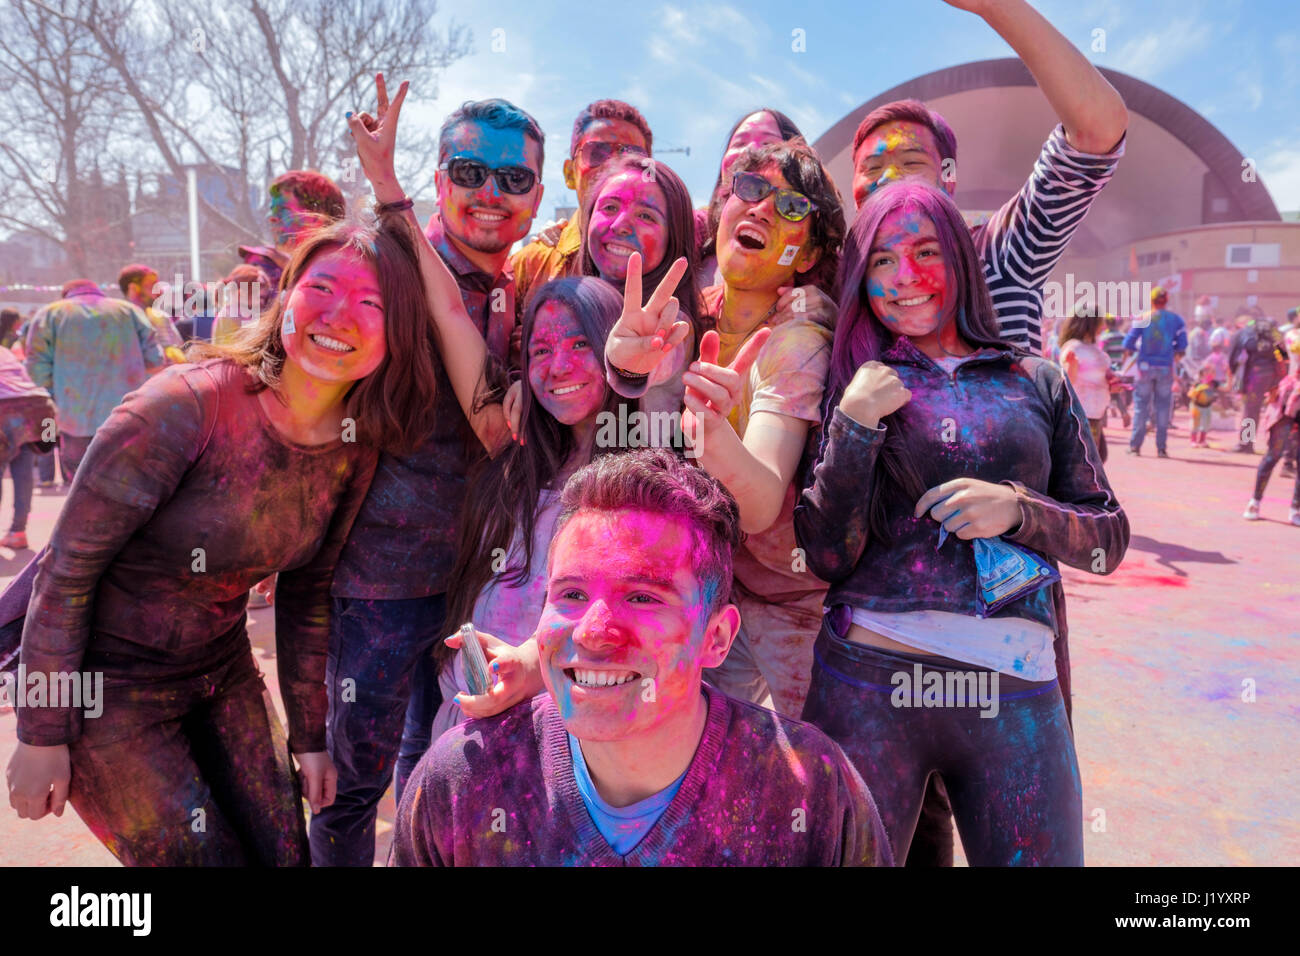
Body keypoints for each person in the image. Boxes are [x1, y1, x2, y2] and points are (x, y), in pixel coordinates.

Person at [5, 217, 441, 865]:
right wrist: (42, 733)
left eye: (372, 302)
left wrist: (310, 739)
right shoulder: (182, 406)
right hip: (108, 690)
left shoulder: (354, 445)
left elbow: (307, 594)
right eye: (321, 288)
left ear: (396, 335)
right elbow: (67, 571)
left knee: (286, 854)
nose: (340, 314)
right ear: (286, 297)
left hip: (221, 673)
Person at [792, 181, 1128, 865]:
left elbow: (1107, 540)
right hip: (868, 679)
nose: (905, 277)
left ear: (961, 260)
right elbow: (827, 554)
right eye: (882, 260)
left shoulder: (1034, 378)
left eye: (925, 251)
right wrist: (854, 426)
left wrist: (1020, 509)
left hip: (1014, 688)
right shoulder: (854, 378)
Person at [391, 447, 893, 867]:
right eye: (570, 595)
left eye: (642, 598)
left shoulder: (807, 787)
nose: (593, 633)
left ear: (717, 638)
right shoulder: (465, 779)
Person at [312, 93, 541, 867]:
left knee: (435, 758)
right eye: (471, 171)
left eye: (513, 179)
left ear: (539, 197)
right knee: (349, 786)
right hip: (376, 583)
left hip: (471, 584)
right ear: (438, 179)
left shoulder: (520, 291)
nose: (490, 193)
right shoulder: (384, 267)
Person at [849, 0, 1127, 356]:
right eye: (871, 168)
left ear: (948, 178)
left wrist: (996, 7)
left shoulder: (999, 252)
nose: (888, 178)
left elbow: (1096, 131)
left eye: (911, 162)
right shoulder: (844, 282)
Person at [432, 277, 634, 740]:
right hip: (464, 720)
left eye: (581, 343)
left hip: (557, 734)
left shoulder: (635, 484)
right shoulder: (513, 452)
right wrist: (398, 206)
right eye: (540, 351)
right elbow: (449, 313)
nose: (558, 366)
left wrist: (529, 667)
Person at [510, 100, 653, 314]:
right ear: (569, 173)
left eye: (632, 156)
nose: (614, 166)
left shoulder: (671, 258)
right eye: (596, 153)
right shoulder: (529, 265)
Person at [23, 279, 165, 482]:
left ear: (65, 295)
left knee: (81, 487)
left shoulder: (50, 314)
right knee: (126, 483)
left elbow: (36, 370)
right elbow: (155, 359)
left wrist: (54, 399)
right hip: (127, 415)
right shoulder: (129, 311)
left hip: (73, 418)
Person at [695, 109, 804, 287]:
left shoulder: (810, 290)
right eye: (739, 142)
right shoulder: (686, 232)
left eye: (767, 143)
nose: (748, 150)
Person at [238, 170, 347, 291]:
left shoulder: (346, 274)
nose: (271, 217)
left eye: (283, 209)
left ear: (316, 218)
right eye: (271, 208)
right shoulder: (265, 269)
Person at [0, 345, 56, 550]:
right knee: (23, 470)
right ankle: (18, 532)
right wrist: (49, 437)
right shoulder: (5, 351)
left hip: (3, 409)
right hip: (39, 406)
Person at [1243, 328, 1300, 524]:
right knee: (1273, 452)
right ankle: (1255, 501)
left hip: (1287, 396)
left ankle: (1296, 507)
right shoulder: (1292, 336)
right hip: (1288, 399)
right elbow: (1281, 358)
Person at [1122, 286, 1186, 458]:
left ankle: (1135, 447)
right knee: (1163, 407)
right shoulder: (1176, 320)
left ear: (1151, 301)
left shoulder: (1143, 318)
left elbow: (1128, 343)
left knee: (1141, 407)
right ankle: (1161, 448)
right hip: (1165, 367)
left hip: (1144, 368)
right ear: (1166, 301)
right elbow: (1182, 346)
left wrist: (1139, 350)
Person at [1058, 306, 1111, 462]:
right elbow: (1067, 383)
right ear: (1090, 323)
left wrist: (1112, 383)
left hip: (1095, 414)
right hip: (1081, 414)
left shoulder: (1092, 348)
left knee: (1095, 459)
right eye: (1100, 322)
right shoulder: (1073, 348)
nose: (1104, 326)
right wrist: (1071, 367)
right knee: (1087, 462)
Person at [1229, 310, 1285, 454]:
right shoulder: (1273, 332)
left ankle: (1246, 444)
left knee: (1250, 410)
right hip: (1273, 375)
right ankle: (1275, 444)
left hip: (1254, 376)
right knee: (1275, 409)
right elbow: (1283, 352)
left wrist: (1236, 375)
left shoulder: (1243, 332)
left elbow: (1233, 358)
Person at [118, 263, 186, 363]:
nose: (159, 291)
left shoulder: (161, 318)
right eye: (152, 286)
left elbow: (180, 354)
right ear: (133, 288)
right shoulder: (116, 320)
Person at [211, 264, 274, 346]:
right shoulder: (227, 316)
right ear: (242, 291)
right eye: (258, 286)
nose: (264, 292)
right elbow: (223, 351)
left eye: (265, 287)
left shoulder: (260, 312)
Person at [1187, 364, 1220, 448]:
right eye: (1206, 371)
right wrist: (1197, 390)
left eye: (1211, 371)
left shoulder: (1213, 383)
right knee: (1195, 423)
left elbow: (1226, 388)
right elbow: (1190, 394)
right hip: (1196, 406)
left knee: (1206, 424)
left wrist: (1229, 375)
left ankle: (1202, 441)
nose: (1209, 373)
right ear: (1202, 373)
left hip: (1207, 406)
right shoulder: (1197, 383)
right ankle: (1193, 441)